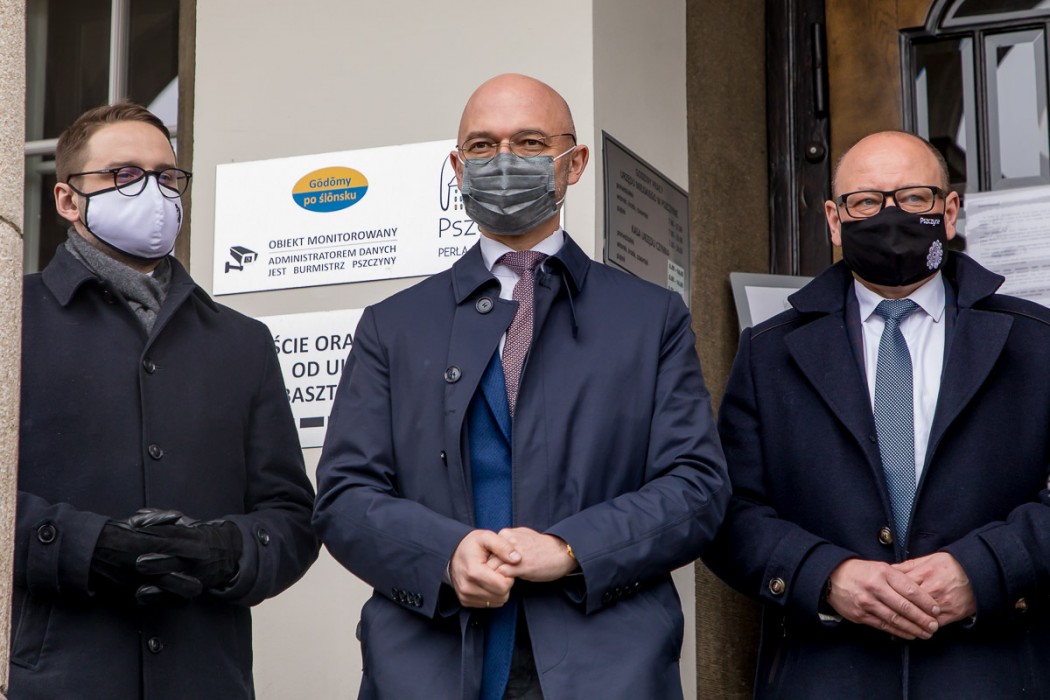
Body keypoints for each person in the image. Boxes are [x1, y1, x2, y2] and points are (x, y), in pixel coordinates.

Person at [313, 73, 729, 700]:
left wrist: (570, 548)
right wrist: (446, 554)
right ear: (458, 167)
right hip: (431, 666)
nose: (503, 161)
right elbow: (345, 496)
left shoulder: (652, 318)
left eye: (530, 143)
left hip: (605, 668)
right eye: (482, 146)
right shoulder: (392, 326)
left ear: (574, 163)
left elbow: (696, 487)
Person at [703, 130, 1050, 698]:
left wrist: (984, 570)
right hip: (826, 676)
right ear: (834, 221)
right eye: (865, 202)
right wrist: (827, 577)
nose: (890, 216)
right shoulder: (769, 353)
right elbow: (727, 513)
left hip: (995, 672)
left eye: (913, 197)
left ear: (949, 211)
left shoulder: (1034, 342)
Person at [11, 102, 319, 699]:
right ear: (68, 200)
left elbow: (291, 516)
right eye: (124, 174)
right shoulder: (13, 319)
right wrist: (83, 547)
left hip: (205, 678)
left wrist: (228, 550)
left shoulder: (241, 341)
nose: (152, 191)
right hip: (55, 679)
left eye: (166, 176)